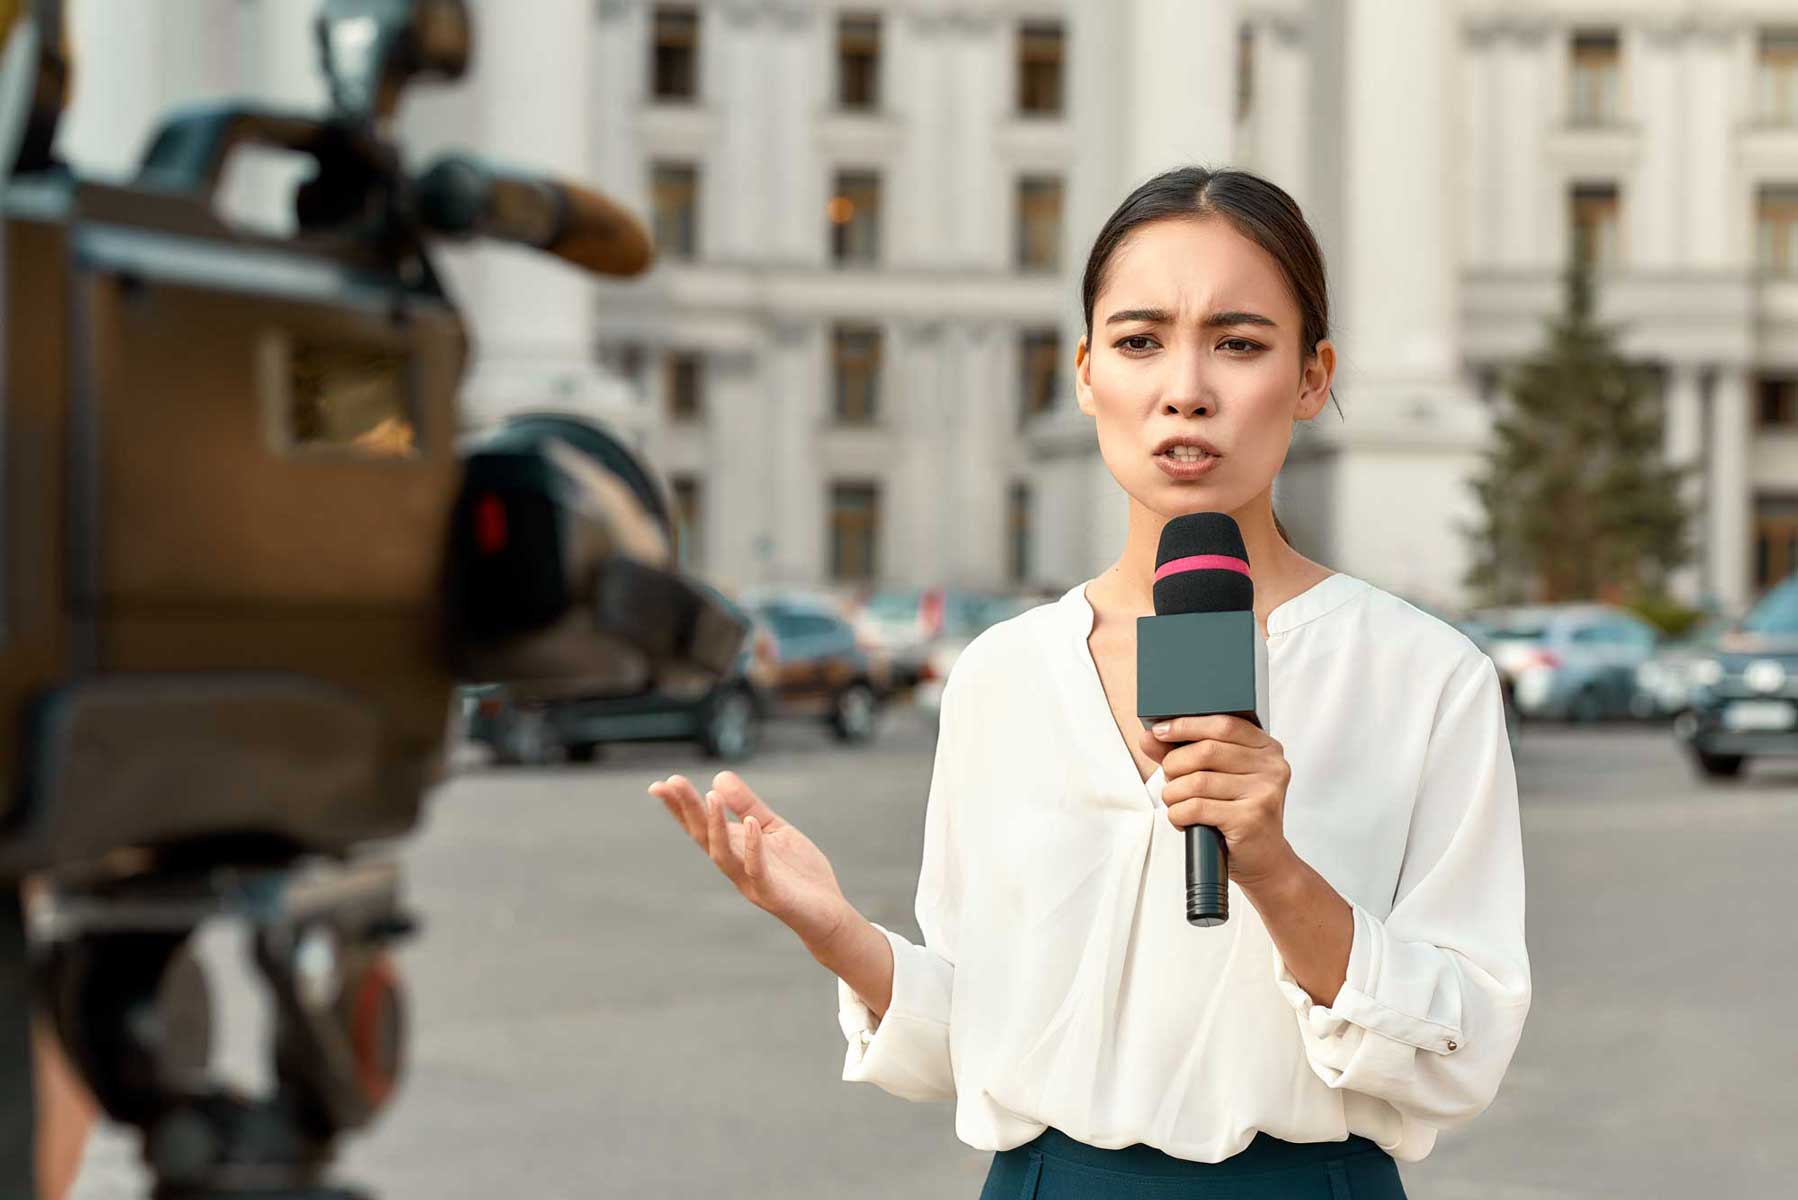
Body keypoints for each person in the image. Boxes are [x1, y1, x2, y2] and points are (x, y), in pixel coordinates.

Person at [648, 165, 1530, 1198]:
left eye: (1238, 343)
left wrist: (1274, 869)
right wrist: (838, 933)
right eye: (1139, 340)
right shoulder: (1001, 677)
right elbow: (983, 1033)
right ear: (1084, 372)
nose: (1184, 388)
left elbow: (1462, 1048)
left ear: (1310, 376)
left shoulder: (1422, 676)